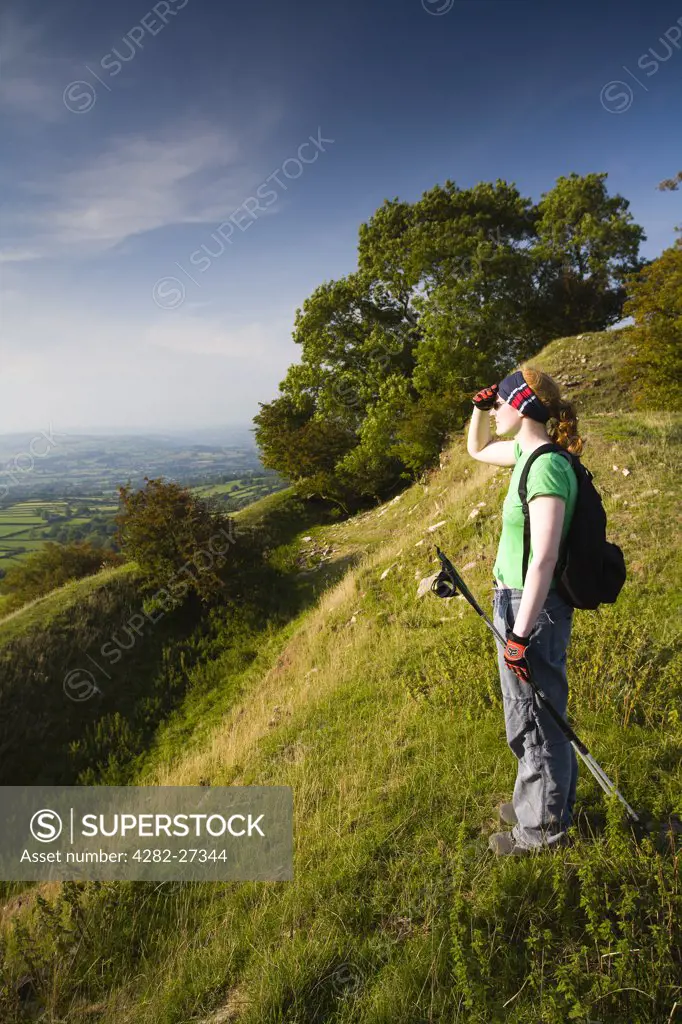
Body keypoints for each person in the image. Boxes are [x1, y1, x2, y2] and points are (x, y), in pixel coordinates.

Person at [467, 365, 584, 856]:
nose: (495, 410)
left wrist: (518, 633)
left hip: (530, 608)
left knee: (537, 717)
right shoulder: (523, 454)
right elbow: (475, 449)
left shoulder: (547, 467)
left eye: (500, 402)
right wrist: (477, 406)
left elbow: (545, 558)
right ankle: (538, 801)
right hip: (512, 597)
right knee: (526, 714)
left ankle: (542, 831)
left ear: (522, 407)